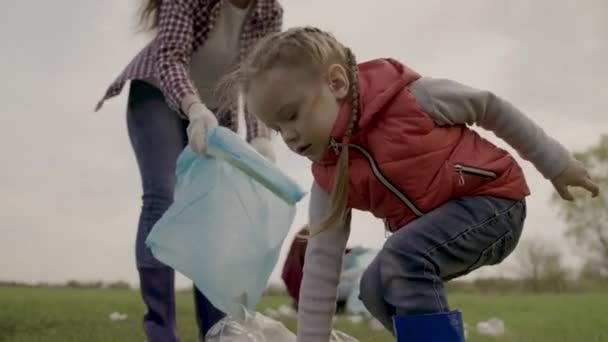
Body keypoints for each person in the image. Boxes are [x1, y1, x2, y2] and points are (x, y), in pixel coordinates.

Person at [216, 26, 600, 341]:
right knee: (373, 289)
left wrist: (556, 163)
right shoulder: (329, 178)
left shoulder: (411, 99)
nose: (290, 137)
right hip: (429, 233)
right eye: (279, 129)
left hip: (493, 203)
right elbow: (321, 264)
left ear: (335, 83)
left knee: (401, 258)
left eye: (292, 115)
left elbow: (489, 105)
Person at [94, 1, 283, 341]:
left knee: (212, 216)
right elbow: (169, 56)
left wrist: (260, 135)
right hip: (158, 91)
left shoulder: (268, 9)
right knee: (161, 198)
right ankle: (161, 330)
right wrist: (193, 107)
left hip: (217, 108)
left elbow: (258, 77)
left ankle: (216, 331)